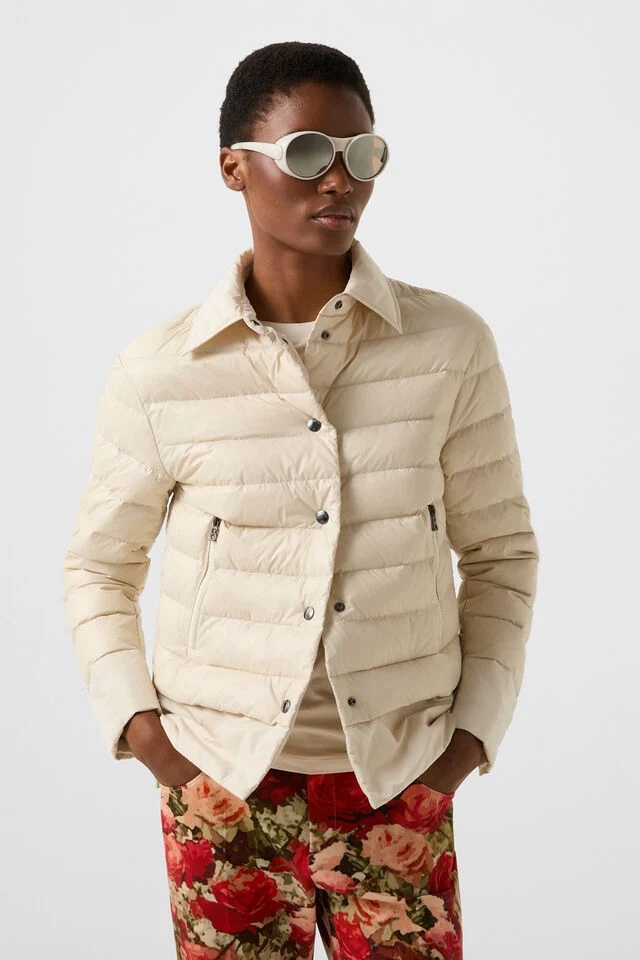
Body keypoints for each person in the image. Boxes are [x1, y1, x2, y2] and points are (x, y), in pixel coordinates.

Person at [62, 40, 538, 959]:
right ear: (233, 168)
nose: (340, 180)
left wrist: (466, 745)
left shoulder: (450, 345)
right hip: (221, 785)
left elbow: (501, 554)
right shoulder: (160, 370)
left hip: (398, 779)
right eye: (309, 153)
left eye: (363, 154)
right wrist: (150, 741)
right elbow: (98, 565)